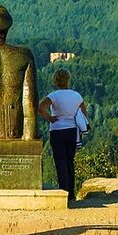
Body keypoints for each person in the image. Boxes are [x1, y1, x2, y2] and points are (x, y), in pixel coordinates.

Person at [38, 69, 86, 203]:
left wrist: (49, 118)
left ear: (55, 81)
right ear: (68, 80)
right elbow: (84, 114)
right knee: (70, 161)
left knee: (60, 161)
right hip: (72, 131)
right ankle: (71, 193)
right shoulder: (77, 96)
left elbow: (41, 107)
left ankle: (63, 190)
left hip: (57, 130)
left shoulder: (53, 96)